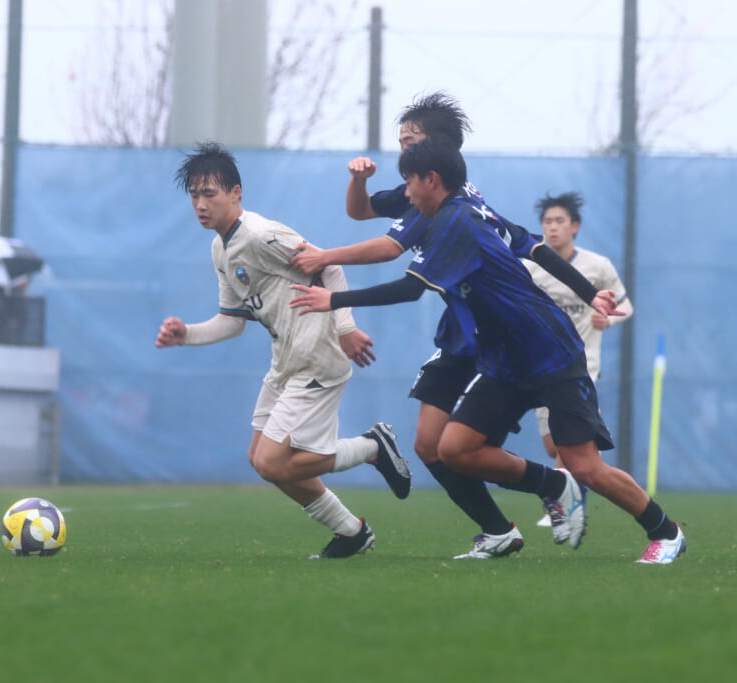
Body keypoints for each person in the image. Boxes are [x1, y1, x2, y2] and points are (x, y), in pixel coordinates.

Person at [290, 137, 686, 564]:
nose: (407, 193)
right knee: (454, 449)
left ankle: (666, 532)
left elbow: (409, 288)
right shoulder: (454, 212)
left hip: (549, 352)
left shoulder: (455, 222)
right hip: (504, 359)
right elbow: (531, 247)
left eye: (410, 182)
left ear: (431, 179)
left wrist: (334, 300)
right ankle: (553, 486)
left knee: (585, 465)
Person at [154, 141, 411, 559]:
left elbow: (329, 265)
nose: (200, 204)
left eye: (210, 193)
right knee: (261, 460)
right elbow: (233, 321)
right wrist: (186, 334)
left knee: (274, 462)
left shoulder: (259, 234)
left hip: (318, 355)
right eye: (194, 195)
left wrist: (346, 327)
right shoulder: (221, 248)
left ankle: (372, 447)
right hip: (286, 359)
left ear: (236, 193)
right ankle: (351, 532)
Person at [525, 191, 634, 527]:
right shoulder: (530, 267)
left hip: (582, 366)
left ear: (575, 226)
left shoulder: (597, 266)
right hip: (540, 365)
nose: (552, 227)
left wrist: (608, 319)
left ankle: (564, 501)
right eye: (547, 221)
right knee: (553, 446)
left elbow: (626, 305)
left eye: (559, 221)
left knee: (570, 440)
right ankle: (583, 482)